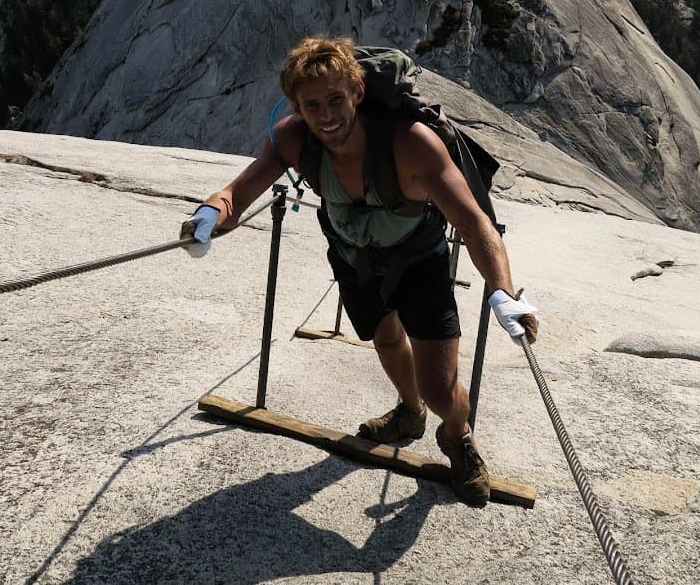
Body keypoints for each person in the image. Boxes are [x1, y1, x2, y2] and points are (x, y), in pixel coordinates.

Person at [181, 35, 538, 505]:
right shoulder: (293, 138)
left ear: (357, 93)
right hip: (355, 258)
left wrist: (503, 290)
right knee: (385, 339)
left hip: (419, 260)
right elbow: (238, 193)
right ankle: (409, 412)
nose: (326, 115)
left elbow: (473, 222)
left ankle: (456, 434)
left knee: (440, 387)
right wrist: (208, 215)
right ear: (297, 107)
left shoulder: (411, 144)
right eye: (312, 105)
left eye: (335, 99)